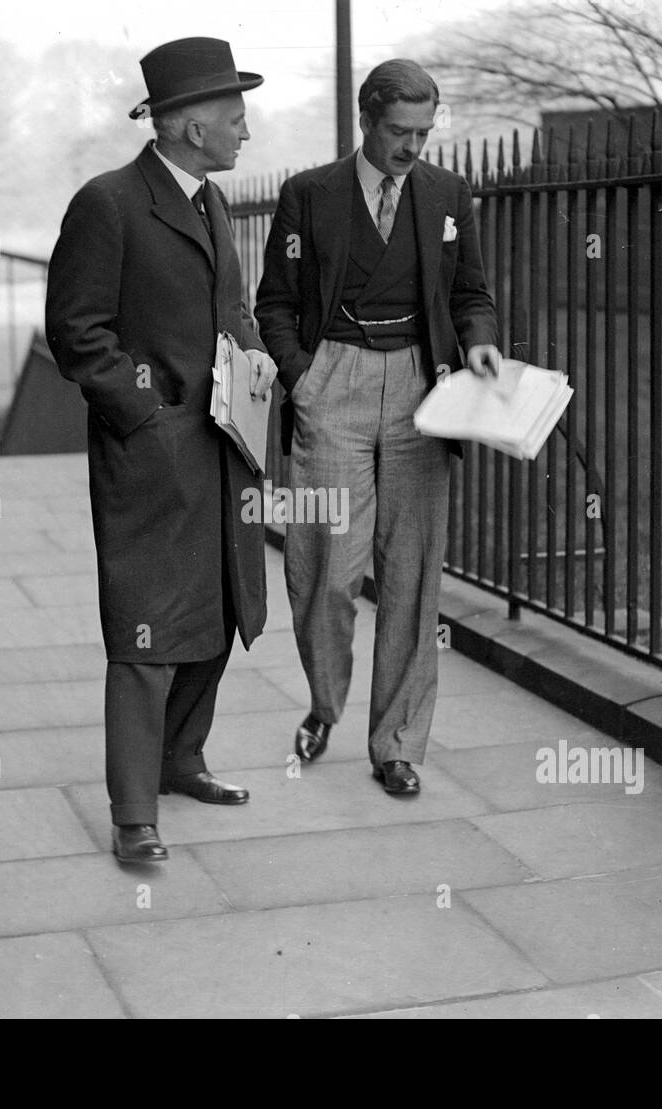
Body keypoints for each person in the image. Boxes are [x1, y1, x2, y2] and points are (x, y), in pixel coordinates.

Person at [45, 38, 278, 863]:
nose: (245, 131)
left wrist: (257, 363)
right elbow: (77, 333)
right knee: (145, 630)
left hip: (220, 446)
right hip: (149, 453)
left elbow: (233, 308)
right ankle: (133, 810)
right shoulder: (107, 204)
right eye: (233, 118)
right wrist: (144, 415)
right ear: (185, 126)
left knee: (217, 611)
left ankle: (182, 761)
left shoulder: (209, 200)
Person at [255, 58, 499, 796]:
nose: (412, 146)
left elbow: (471, 293)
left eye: (424, 132)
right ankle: (326, 701)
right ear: (366, 119)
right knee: (326, 570)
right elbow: (274, 303)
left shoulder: (448, 193)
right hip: (334, 379)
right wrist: (304, 375)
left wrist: (479, 337)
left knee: (412, 575)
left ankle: (396, 743)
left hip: (423, 390)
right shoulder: (310, 195)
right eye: (399, 131)